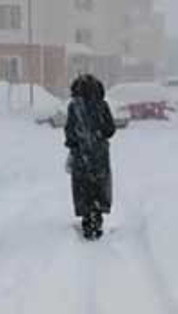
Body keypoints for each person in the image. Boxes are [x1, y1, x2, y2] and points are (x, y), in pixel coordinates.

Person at [65, 74, 117, 240]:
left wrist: (74, 145)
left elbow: (70, 132)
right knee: (99, 187)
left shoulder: (74, 107)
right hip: (99, 155)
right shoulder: (102, 106)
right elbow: (110, 129)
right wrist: (99, 135)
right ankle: (97, 215)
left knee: (83, 188)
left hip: (81, 156)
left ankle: (87, 217)